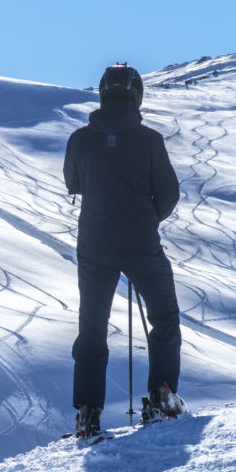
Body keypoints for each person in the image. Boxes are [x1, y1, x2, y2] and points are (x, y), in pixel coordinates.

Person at [63, 63, 185, 438]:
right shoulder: (150, 140)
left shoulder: (80, 139)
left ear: (103, 93)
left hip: (94, 246)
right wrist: (145, 218)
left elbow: (73, 183)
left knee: (92, 326)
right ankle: (162, 396)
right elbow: (169, 195)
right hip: (141, 245)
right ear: (136, 96)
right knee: (163, 317)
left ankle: (88, 413)